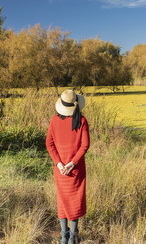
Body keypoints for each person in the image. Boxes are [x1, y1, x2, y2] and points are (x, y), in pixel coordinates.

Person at [46, 89, 90, 244]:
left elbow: (49, 144)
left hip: (60, 170)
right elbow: (85, 145)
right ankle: (72, 237)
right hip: (76, 169)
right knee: (74, 201)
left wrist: (59, 164)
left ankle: (64, 236)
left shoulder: (54, 120)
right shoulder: (81, 120)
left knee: (62, 201)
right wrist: (72, 163)